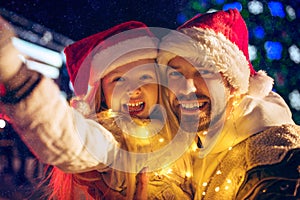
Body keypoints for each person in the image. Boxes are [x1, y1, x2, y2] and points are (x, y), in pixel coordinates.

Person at [0, 16, 194, 199]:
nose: (133, 89)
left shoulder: (183, 132)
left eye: (145, 76)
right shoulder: (112, 141)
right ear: (102, 94)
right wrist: (16, 75)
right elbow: (69, 138)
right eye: (118, 79)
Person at [157, 9, 300, 199]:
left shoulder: (271, 151)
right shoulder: (192, 154)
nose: (187, 89)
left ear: (234, 85)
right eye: (175, 73)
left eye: (205, 72)